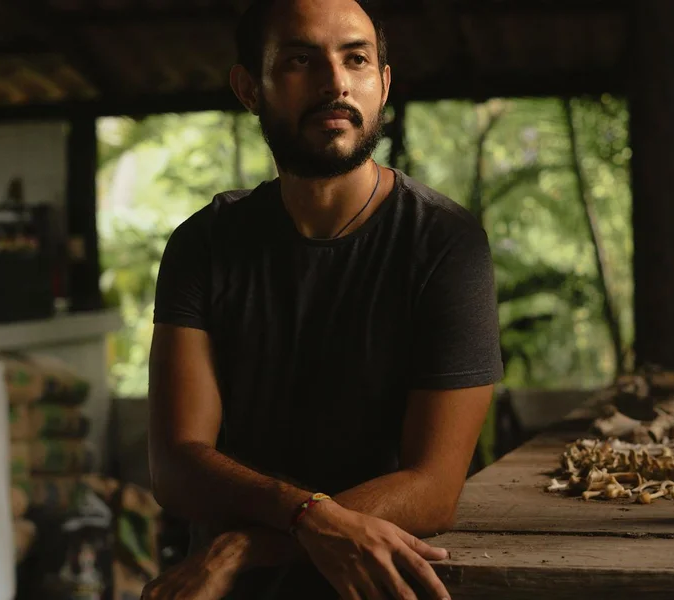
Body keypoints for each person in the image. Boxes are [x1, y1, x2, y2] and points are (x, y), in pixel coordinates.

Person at [142, 0, 503, 598]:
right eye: (300, 60)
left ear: (383, 83)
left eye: (356, 59)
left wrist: (249, 545)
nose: (335, 82)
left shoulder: (445, 243)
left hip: (381, 585)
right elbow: (176, 464)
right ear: (249, 88)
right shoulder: (204, 244)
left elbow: (435, 487)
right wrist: (305, 515)